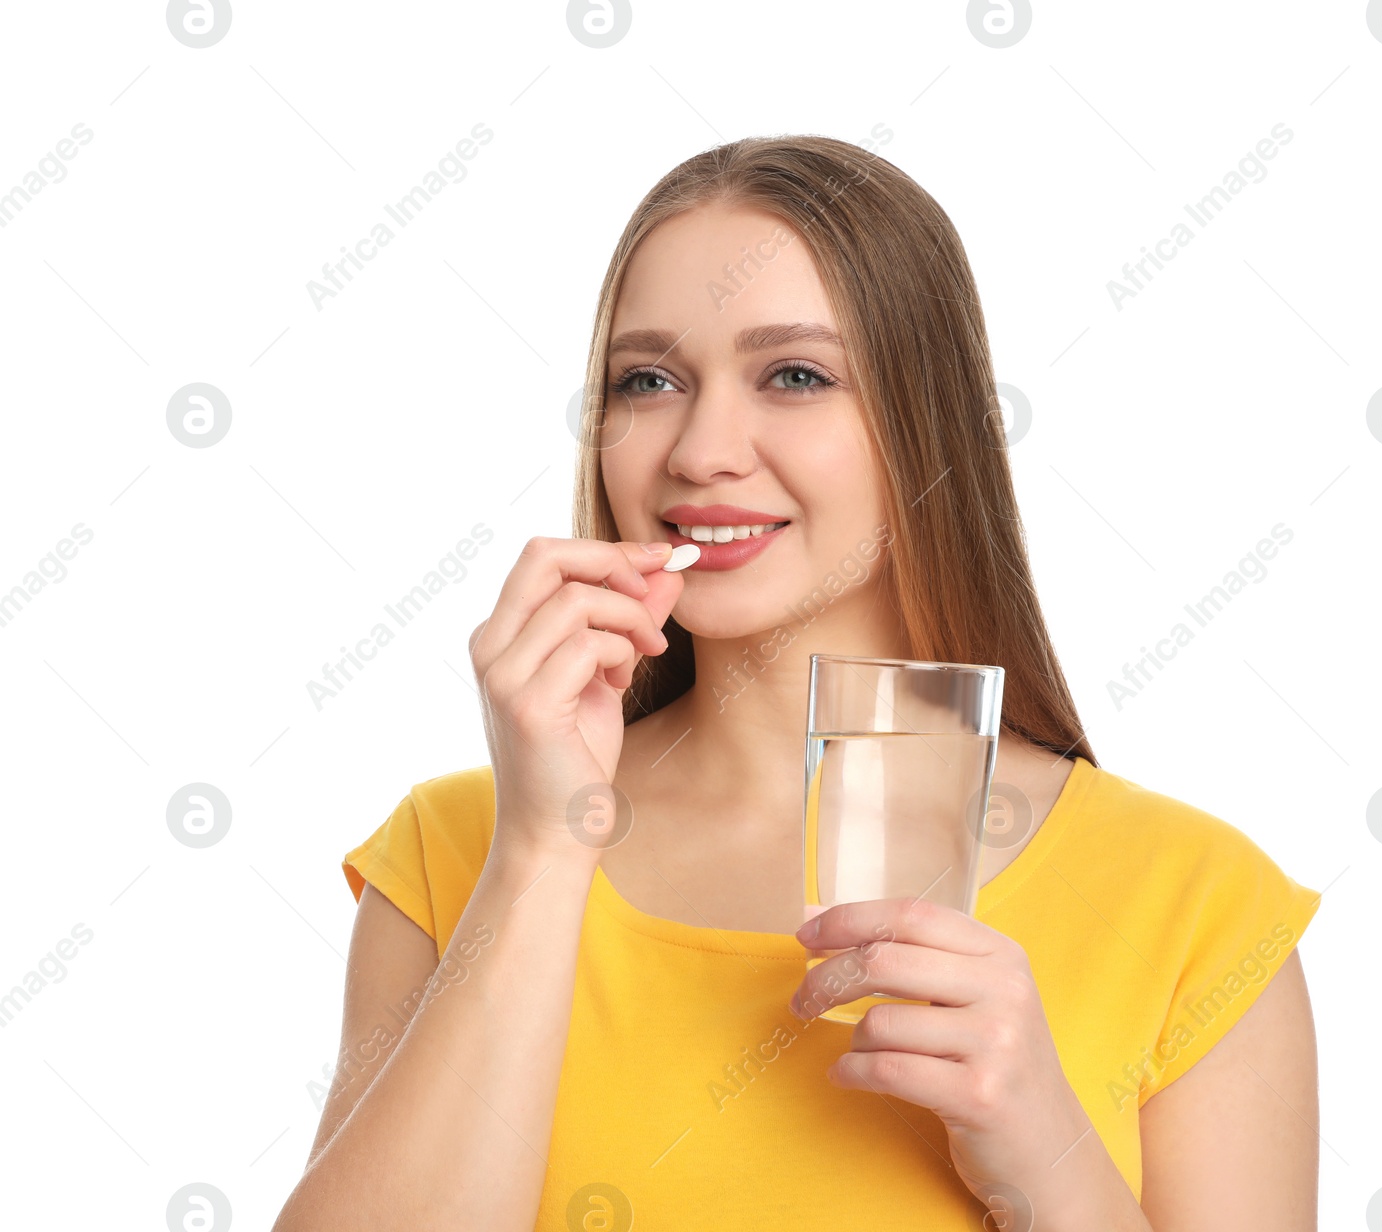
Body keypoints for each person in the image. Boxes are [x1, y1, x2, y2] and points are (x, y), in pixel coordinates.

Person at [272, 135, 1322, 1231]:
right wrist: (545, 842)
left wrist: (1047, 1158)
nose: (702, 448)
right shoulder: (455, 854)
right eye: (650, 379)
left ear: (928, 423)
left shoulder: (1194, 900)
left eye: (795, 375)